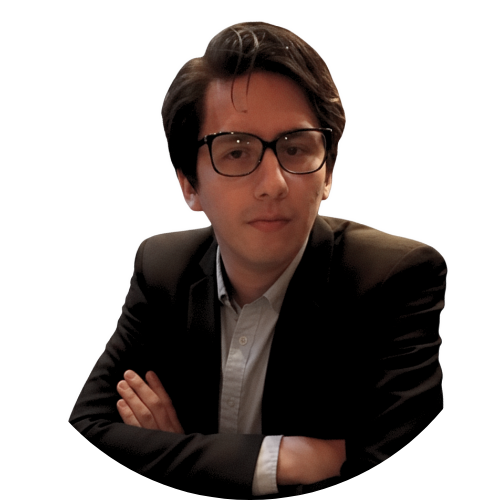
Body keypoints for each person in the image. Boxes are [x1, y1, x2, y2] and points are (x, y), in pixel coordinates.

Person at [69, 21, 446, 497]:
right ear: (189, 185)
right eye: (237, 152)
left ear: (327, 174)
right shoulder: (162, 269)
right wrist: (280, 458)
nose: (274, 183)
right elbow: (87, 435)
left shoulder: (394, 281)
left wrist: (179, 462)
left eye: (295, 148)